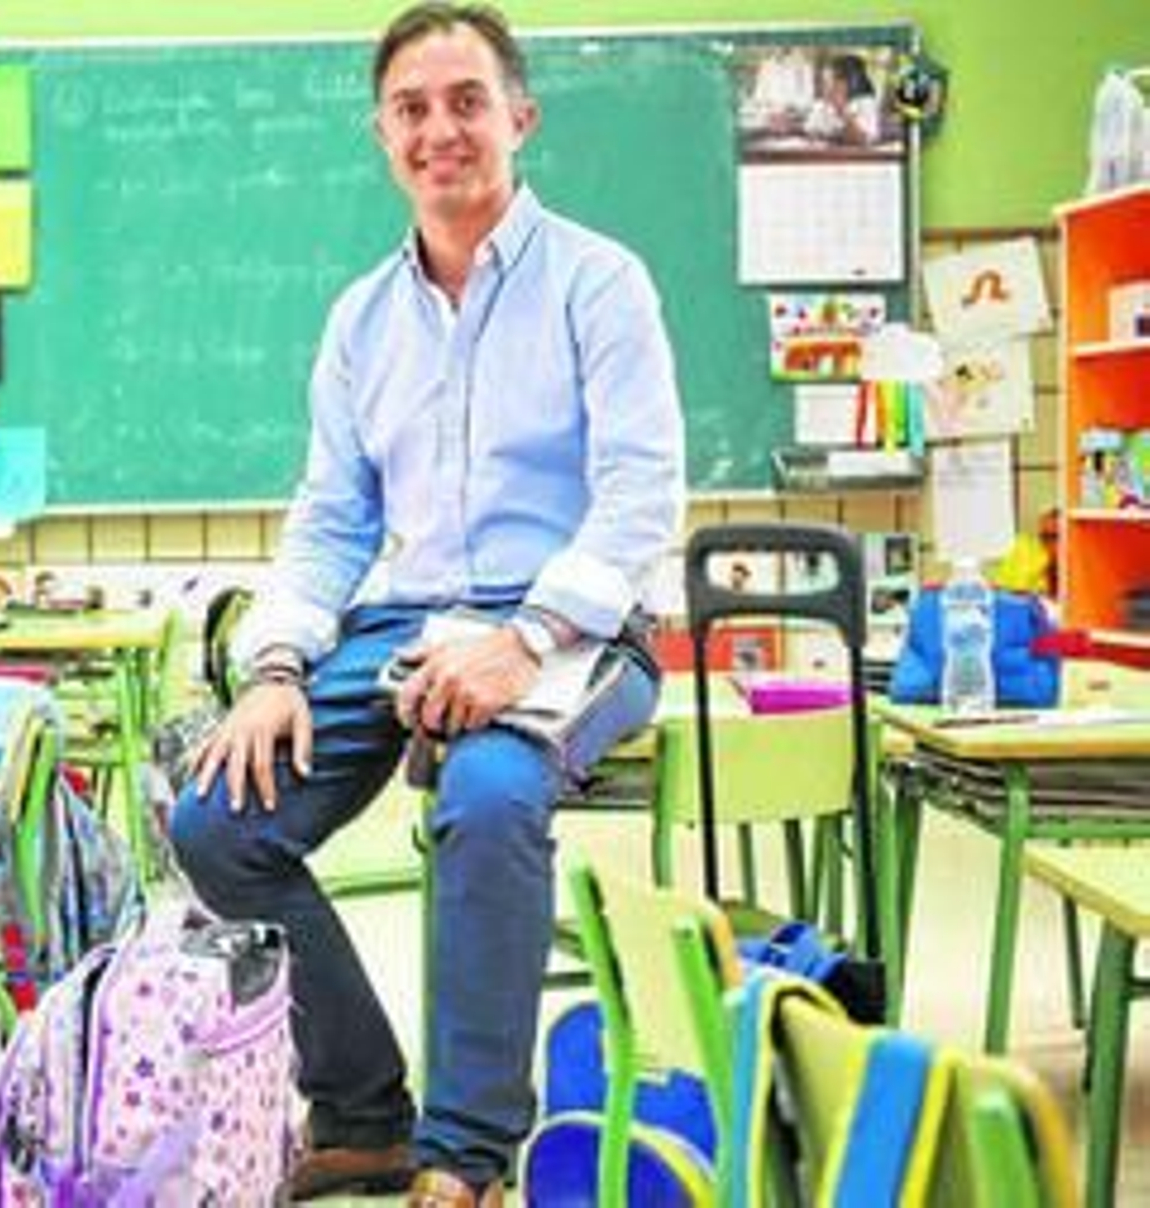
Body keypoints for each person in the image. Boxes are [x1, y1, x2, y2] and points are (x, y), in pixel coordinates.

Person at [168, 5, 683, 1205]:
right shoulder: (362, 319)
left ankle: (466, 1155)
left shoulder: (598, 284)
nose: (439, 129)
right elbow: (331, 519)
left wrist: (523, 640)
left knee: (492, 795)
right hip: (404, 627)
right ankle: (360, 1111)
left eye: (465, 101)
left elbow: (639, 496)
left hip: (575, 625)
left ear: (519, 117)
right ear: (382, 134)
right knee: (215, 819)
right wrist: (276, 668)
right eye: (412, 108)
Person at [804, 51, 882, 146]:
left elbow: (861, 141)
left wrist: (842, 110)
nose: (831, 84)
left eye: (838, 78)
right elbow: (809, 134)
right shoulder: (820, 106)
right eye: (830, 78)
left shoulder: (866, 103)